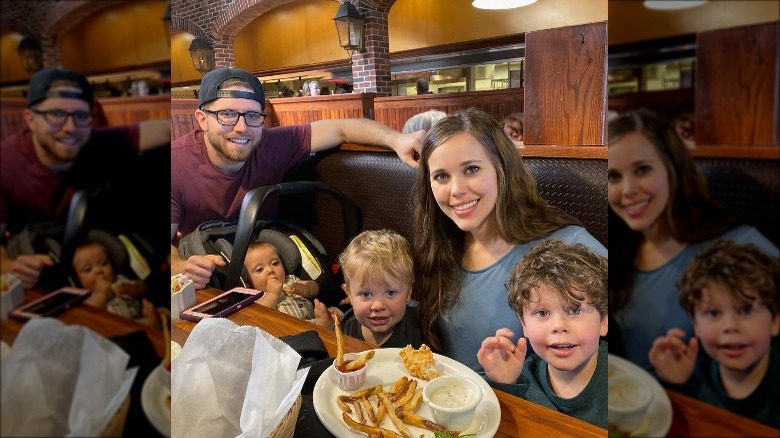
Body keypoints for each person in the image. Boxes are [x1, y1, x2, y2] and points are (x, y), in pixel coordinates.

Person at [171, 67, 423, 290]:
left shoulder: (271, 143)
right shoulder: (175, 163)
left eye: (252, 116)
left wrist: (397, 139)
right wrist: (181, 266)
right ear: (202, 119)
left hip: (270, 264)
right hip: (211, 276)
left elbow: (342, 128)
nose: (241, 127)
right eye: (226, 114)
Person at [412, 107, 606, 372]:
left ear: (501, 169)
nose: (456, 190)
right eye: (442, 176)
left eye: (471, 169)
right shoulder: (438, 250)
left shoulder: (567, 245)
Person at [608, 108, 778, 371]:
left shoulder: (743, 246)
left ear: (673, 168)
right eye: (613, 177)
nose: (628, 190)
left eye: (642, 170)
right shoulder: (616, 249)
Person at [0, 67, 170, 288]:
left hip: (94, 262)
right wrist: (9, 266)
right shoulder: (6, 163)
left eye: (80, 116)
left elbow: (164, 130)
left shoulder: (93, 142)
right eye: (56, 114)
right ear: (31, 119)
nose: (70, 128)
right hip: (37, 271)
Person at [648, 239, 779, 428]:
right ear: (695, 324)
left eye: (745, 311)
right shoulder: (690, 371)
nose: (730, 326)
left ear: (775, 321)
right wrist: (676, 384)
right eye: (714, 313)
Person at [477, 239, 608, 428]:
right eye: (543, 313)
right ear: (524, 325)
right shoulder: (519, 377)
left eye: (574, 310)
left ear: (603, 321)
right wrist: (505, 384)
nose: (558, 326)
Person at [338, 229, 422, 348]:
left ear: (408, 293)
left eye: (390, 292)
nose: (377, 306)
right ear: (349, 294)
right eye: (366, 294)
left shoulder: (419, 330)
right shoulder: (345, 329)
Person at [244, 240, 336, 326]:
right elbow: (258, 314)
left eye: (275, 263)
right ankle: (323, 324)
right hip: (291, 330)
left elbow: (315, 287)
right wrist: (272, 294)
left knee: (335, 311)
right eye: (260, 269)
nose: (270, 270)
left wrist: (307, 289)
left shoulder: (290, 280)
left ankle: (326, 323)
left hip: (312, 319)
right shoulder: (256, 297)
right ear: (247, 280)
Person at [73, 239, 160, 327]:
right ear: (77, 278)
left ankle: (152, 323)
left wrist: (134, 289)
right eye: (88, 269)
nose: (98, 270)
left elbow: (143, 287)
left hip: (136, 319)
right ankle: (151, 324)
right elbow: (87, 314)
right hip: (114, 329)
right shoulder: (87, 298)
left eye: (103, 263)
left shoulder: (119, 280)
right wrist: (101, 294)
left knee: (160, 313)